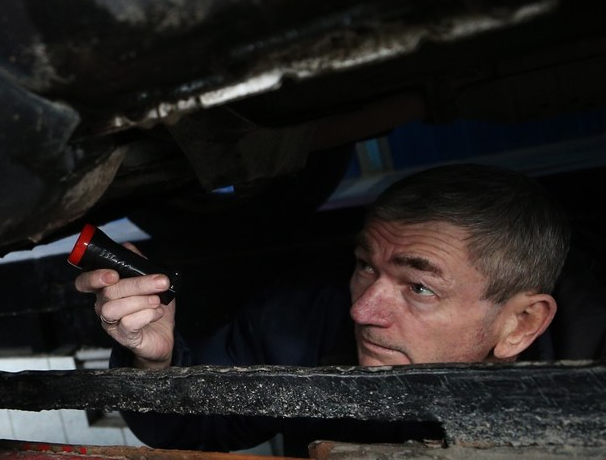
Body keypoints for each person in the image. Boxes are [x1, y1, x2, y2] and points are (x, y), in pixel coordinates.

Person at [75, 163, 572, 453]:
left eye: (419, 287)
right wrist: (154, 363)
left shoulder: (583, 379)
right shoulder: (296, 322)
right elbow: (187, 429)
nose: (363, 311)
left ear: (520, 324)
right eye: (364, 265)